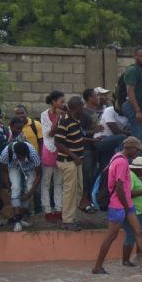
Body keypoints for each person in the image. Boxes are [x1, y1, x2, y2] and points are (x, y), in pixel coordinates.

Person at [92, 137, 142, 274]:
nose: (138, 153)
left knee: (139, 231)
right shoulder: (122, 163)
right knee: (111, 236)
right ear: (130, 148)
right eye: (137, 150)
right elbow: (119, 188)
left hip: (125, 203)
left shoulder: (117, 158)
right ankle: (97, 266)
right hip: (119, 204)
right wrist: (126, 206)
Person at [55, 96, 87, 231]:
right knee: (70, 191)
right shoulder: (65, 122)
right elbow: (58, 142)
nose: (83, 108)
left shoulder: (76, 121)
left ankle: (71, 216)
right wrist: (74, 156)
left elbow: (77, 139)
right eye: (82, 106)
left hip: (76, 161)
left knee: (78, 190)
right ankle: (67, 221)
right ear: (76, 108)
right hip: (68, 161)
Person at [0, 141, 42, 232]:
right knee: (15, 188)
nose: (23, 159)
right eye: (21, 157)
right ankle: (17, 222)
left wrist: (30, 193)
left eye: (25, 156)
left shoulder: (33, 154)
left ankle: (20, 218)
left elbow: (39, 174)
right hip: (13, 166)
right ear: (16, 153)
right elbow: (3, 170)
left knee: (29, 188)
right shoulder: (6, 153)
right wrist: (8, 186)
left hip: (30, 167)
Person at [40, 91, 65, 222]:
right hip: (49, 149)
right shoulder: (44, 115)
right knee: (46, 182)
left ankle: (58, 209)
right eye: (61, 101)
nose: (63, 104)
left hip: (61, 149)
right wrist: (59, 119)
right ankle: (47, 209)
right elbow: (50, 133)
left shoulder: (64, 114)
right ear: (54, 102)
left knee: (58, 182)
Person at [121, 47, 142, 144]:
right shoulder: (133, 70)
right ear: (135, 56)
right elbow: (130, 91)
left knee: (134, 137)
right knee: (139, 139)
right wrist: (137, 110)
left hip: (139, 108)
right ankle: (137, 159)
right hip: (133, 107)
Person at [93, 104, 130, 170]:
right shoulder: (110, 110)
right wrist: (129, 133)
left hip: (112, 142)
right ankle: (120, 164)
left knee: (105, 167)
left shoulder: (128, 114)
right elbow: (115, 130)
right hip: (100, 140)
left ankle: (104, 178)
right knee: (123, 138)